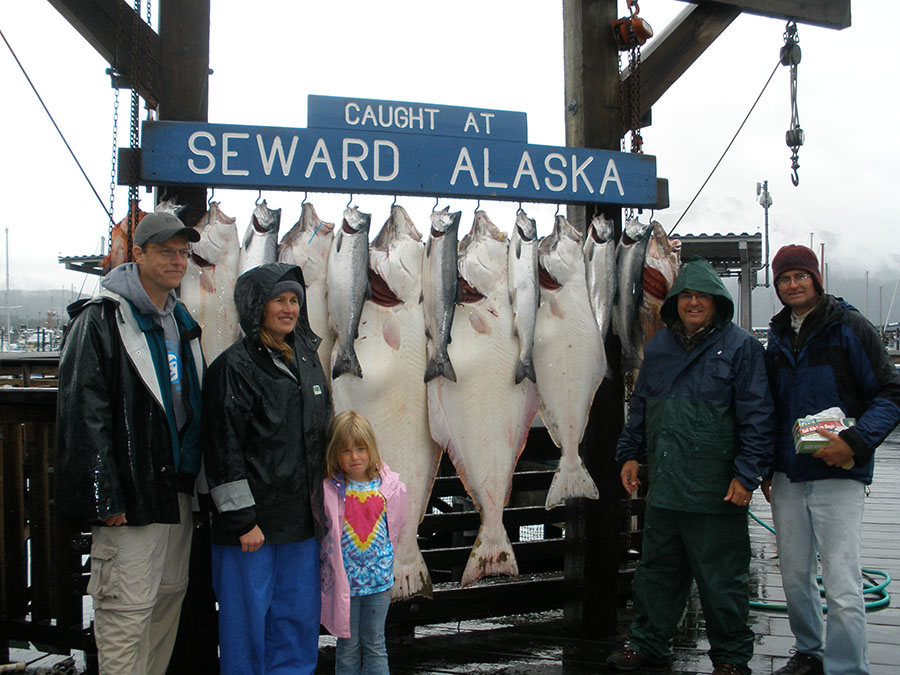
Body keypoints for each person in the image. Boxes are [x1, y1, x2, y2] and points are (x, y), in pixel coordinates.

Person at [606, 256, 774, 675]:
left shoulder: (743, 348)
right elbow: (641, 406)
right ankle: (647, 642)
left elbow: (758, 416)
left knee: (723, 580)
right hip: (665, 485)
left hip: (717, 489)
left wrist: (746, 474)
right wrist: (629, 453)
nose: (694, 303)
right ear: (675, 303)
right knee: (657, 572)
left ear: (718, 301)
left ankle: (731, 658)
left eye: (703, 296)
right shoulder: (659, 346)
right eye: (686, 296)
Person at [56, 211, 204, 674]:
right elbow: (84, 412)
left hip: (175, 497)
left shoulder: (182, 321)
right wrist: (105, 497)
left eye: (182, 252)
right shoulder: (99, 320)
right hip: (131, 502)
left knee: (164, 610)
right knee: (125, 620)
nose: (177, 261)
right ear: (137, 254)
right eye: (165, 251)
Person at [763, 245, 900, 675]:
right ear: (778, 286)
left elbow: (891, 393)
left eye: (801, 276)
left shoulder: (850, 327)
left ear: (816, 279)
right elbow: (770, 408)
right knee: (794, 578)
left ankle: (847, 667)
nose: (793, 284)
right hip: (789, 475)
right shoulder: (777, 335)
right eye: (785, 278)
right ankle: (809, 651)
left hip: (840, 475)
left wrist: (856, 443)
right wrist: (766, 467)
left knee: (842, 582)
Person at [202, 261, 332, 675]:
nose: (289, 309)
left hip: (300, 524)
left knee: (296, 622)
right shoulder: (232, 367)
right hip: (251, 530)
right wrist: (242, 520)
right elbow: (222, 447)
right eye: (280, 299)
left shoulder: (309, 361)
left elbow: (320, 433)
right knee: (245, 628)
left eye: (295, 300)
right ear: (257, 305)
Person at [320, 410, 407, 675]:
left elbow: (397, 524)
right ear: (335, 453)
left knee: (375, 645)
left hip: (379, 583)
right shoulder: (328, 489)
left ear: (371, 449)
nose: (355, 457)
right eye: (346, 451)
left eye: (360, 448)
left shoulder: (390, 488)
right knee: (347, 647)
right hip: (344, 586)